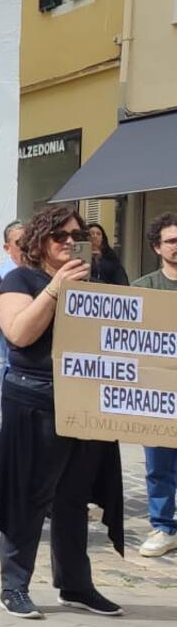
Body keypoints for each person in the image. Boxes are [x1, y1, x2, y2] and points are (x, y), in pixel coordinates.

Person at [0, 204, 124, 619]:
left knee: (75, 497)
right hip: (35, 400)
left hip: (84, 397)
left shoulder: (93, 278)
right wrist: (54, 290)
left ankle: (76, 585)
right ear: (38, 242)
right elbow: (18, 333)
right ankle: (14, 586)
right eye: (59, 236)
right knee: (30, 494)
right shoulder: (20, 279)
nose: (69, 242)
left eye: (75, 235)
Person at [133, 212, 177, 557]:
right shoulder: (144, 288)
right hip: (157, 391)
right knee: (158, 464)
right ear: (157, 247)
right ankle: (163, 526)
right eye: (171, 241)